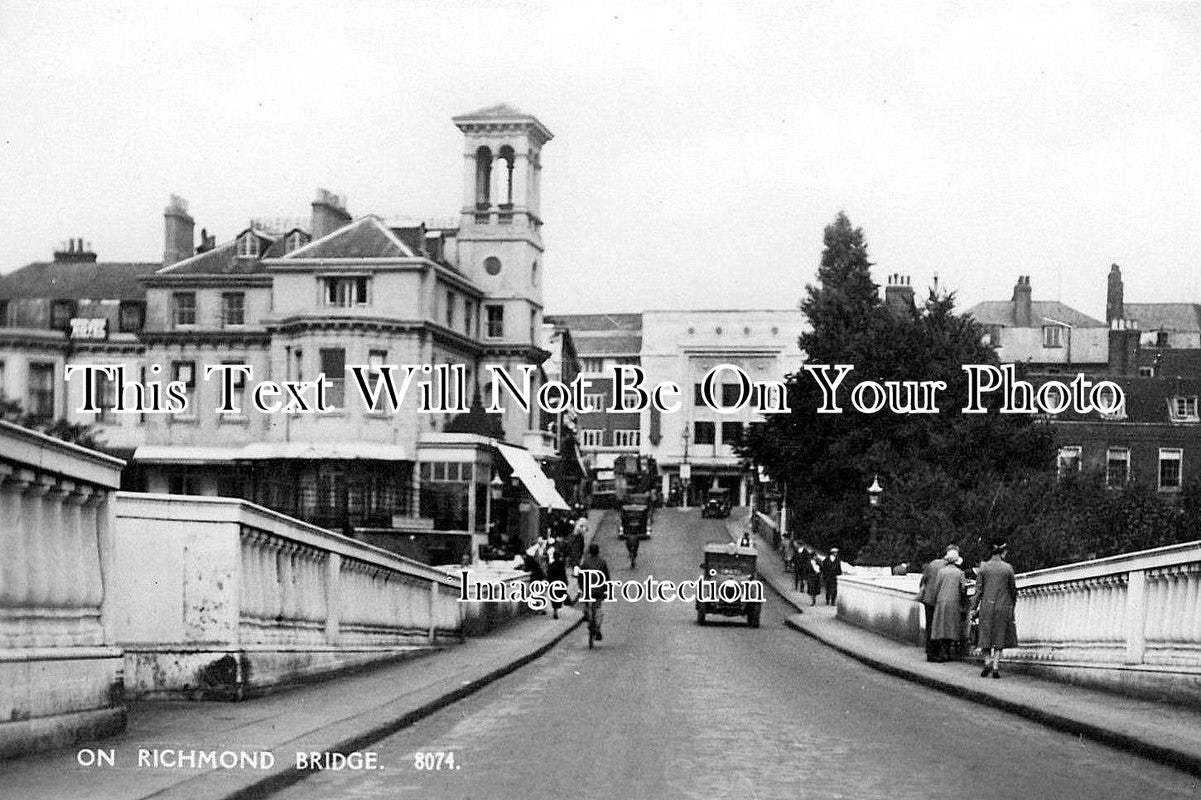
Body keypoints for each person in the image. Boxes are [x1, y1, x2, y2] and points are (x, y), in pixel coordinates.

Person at [972, 541, 1018, 678]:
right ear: (1002, 553)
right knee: (999, 635)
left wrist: (973, 607)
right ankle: (996, 666)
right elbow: (1012, 589)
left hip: (987, 605)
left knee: (985, 635)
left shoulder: (983, 568)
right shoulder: (1008, 568)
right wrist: (1012, 602)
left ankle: (987, 663)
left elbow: (978, 590)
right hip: (1003, 605)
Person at [916, 546, 956, 662]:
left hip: (928, 599)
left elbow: (923, 579)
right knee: (939, 627)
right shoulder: (949, 568)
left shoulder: (933, 563)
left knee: (930, 626)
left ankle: (930, 652)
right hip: (940, 599)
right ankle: (939, 652)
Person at [928, 552, 968, 662]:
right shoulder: (959, 573)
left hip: (941, 601)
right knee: (951, 627)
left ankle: (942, 652)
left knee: (941, 627)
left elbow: (936, 587)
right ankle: (949, 652)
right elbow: (963, 588)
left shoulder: (941, 572)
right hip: (954, 601)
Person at [578, 542, 611, 640]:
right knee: (598, 610)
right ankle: (597, 627)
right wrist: (607, 589)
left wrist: (581, 586)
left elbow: (581, 576)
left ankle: (587, 617)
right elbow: (606, 577)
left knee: (586, 605)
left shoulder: (585, 562)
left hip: (587, 589)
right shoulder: (602, 562)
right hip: (598, 590)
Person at [547, 550, 569, 620]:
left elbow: (548, 575)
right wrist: (566, 582)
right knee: (559, 596)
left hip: (553, 583)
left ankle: (555, 611)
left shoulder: (551, 565)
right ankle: (556, 611)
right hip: (560, 582)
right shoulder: (561, 565)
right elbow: (564, 574)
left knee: (554, 598)